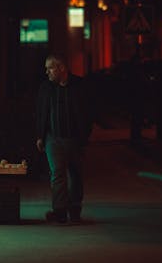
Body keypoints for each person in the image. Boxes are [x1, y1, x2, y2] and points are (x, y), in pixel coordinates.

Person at [35, 53, 95, 224]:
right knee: (57, 174)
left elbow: (89, 112)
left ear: (62, 68)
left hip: (74, 139)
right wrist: (40, 136)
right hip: (53, 138)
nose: (47, 72)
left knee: (75, 174)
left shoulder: (80, 86)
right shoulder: (46, 88)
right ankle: (60, 211)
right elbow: (40, 113)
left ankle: (74, 209)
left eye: (50, 68)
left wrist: (85, 136)